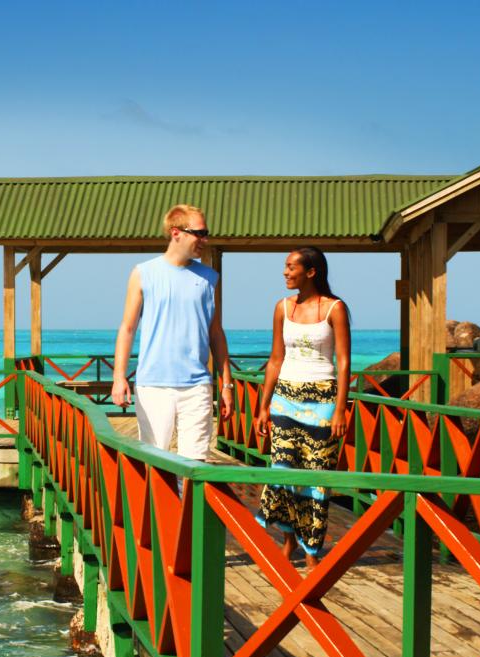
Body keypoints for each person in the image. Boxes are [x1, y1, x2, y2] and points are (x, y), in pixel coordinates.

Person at [111, 204, 232, 460]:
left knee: (195, 464)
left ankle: (186, 503)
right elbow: (128, 327)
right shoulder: (143, 273)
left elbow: (216, 332)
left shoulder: (210, 278)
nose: (205, 239)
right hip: (153, 384)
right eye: (199, 233)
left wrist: (226, 384)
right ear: (176, 232)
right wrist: (118, 377)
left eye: (206, 233)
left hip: (198, 384)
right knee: (156, 460)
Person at [254, 247, 351, 568]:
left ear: (311, 272)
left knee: (315, 477)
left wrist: (340, 409)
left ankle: (311, 550)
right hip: (285, 397)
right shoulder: (282, 308)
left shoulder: (335, 308)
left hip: (322, 400)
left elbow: (343, 361)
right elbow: (275, 359)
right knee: (281, 471)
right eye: (285, 266)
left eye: (291, 267)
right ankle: (288, 542)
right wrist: (263, 406)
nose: (285, 272)